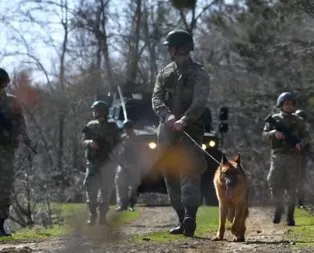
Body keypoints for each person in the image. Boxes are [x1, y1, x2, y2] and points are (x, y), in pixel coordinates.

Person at [152, 29, 210, 237]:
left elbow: (200, 102)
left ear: (179, 48)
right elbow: (156, 99)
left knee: (189, 172)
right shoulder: (164, 73)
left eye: (170, 46)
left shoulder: (199, 73)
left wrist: (185, 119)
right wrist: (167, 116)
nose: (168, 50)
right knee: (170, 174)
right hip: (166, 132)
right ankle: (180, 218)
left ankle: (190, 218)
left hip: (190, 131)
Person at [262, 92, 309, 226]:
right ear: (281, 105)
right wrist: (273, 134)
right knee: (274, 182)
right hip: (277, 156)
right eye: (286, 104)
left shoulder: (299, 121)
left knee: (292, 187)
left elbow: (307, 137)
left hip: (293, 157)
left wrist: (301, 143)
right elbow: (263, 135)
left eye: (291, 104)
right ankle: (279, 206)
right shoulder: (275, 119)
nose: (289, 106)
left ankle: (290, 216)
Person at [82, 100, 121, 225]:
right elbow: (83, 140)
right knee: (91, 189)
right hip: (93, 162)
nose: (94, 112)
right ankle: (92, 215)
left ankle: (103, 216)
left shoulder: (112, 126)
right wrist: (90, 143)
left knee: (106, 190)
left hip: (108, 162)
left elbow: (119, 143)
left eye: (96, 110)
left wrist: (114, 154)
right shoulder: (90, 125)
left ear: (102, 112)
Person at [0, 68, 27, 236]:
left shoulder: (12, 102)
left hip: (6, 151)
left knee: (4, 187)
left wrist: (16, 134)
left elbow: (21, 123)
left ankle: (0, 224)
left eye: (3, 84)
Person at [115, 119, 141, 212]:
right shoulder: (122, 138)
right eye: (125, 128)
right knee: (121, 185)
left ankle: (131, 205)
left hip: (133, 165)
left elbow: (138, 152)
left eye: (128, 128)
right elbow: (118, 150)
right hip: (122, 165)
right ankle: (122, 205)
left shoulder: (136, 138)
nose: (126, 130)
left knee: (134, 186)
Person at [294, 109, 310, 208]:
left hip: (301, 159)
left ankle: (300, 202)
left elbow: (308, 146)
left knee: (300, 180)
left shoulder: (304, 132)